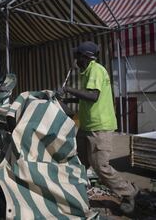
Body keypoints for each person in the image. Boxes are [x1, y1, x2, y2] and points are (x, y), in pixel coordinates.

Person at [61, 41, 139, 215]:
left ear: (86, 57)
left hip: (99, 127)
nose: (75, 59)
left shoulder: (96, 69)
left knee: (100, 166)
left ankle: (129, 192)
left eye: (78, 56)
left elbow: (93, 96)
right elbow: (87, 97)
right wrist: (69, 100)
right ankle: (77, 193)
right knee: (78, 161)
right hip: (87, 125)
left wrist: (68, 90)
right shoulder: (87, 72)